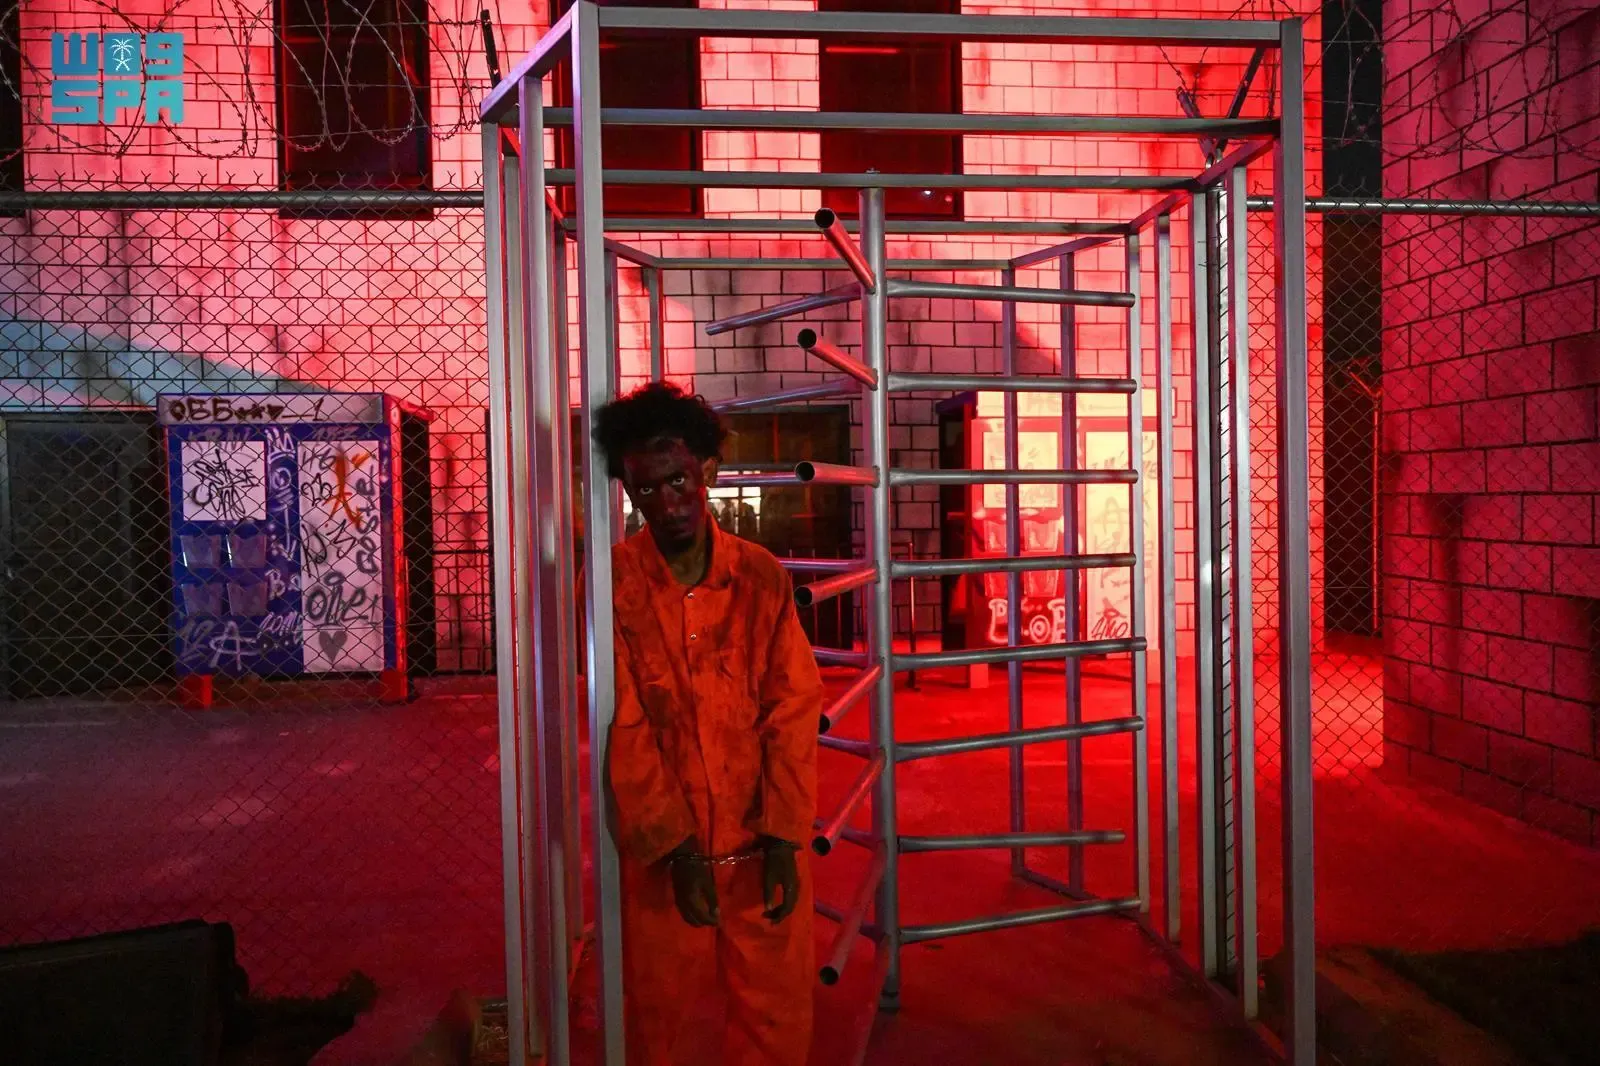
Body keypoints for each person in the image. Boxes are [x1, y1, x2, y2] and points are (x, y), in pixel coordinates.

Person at [593, 382, 823, 1066]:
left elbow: (793, 706)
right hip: (664, 857)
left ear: (708, 473)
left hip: (759, 843)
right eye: (647, 490)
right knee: (662, 1018)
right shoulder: (612, 588)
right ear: (629, 493)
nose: (667, 504)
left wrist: (784, 834)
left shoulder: (761, 578)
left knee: (775, 1016)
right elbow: (623, 727)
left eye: (679, 482)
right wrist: (675, 847)